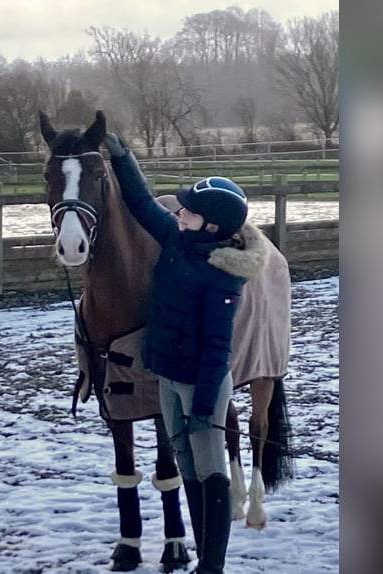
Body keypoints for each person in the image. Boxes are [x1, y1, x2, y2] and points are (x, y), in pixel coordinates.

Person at [104, 133, 250, 574]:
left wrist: (206, 406)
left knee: (211, 472)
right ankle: (204, 556)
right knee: (186, 466)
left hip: (200, 385)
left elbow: (218, 348)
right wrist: (122, 156)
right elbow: (144, 204)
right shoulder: (177, 239)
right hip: (167, 376)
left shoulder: (223, 275)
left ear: (210, 225)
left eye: (188, 209)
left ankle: (212, 566)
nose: (179, 212)